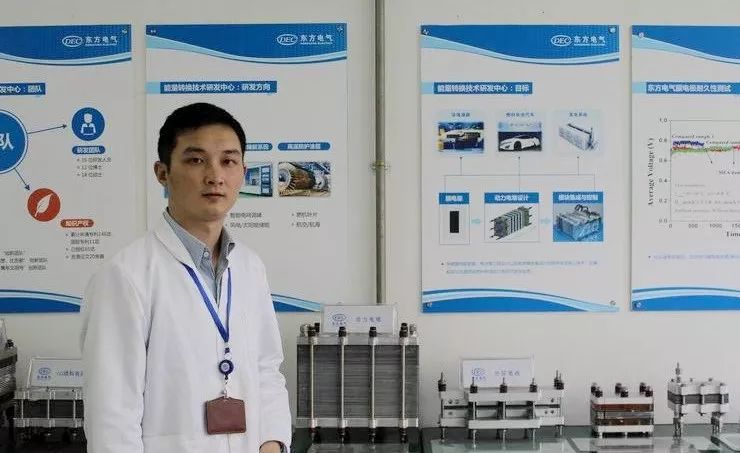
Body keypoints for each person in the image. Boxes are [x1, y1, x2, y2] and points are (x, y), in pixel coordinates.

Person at [81, 103, 291, 453]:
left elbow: (266, 368)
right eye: (196, 160)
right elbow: (112, 415)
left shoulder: (249, 266)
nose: (215, 176)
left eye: (228, 161)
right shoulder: (126, 275)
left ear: (242, 172)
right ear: (162, 173)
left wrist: (272, 442)